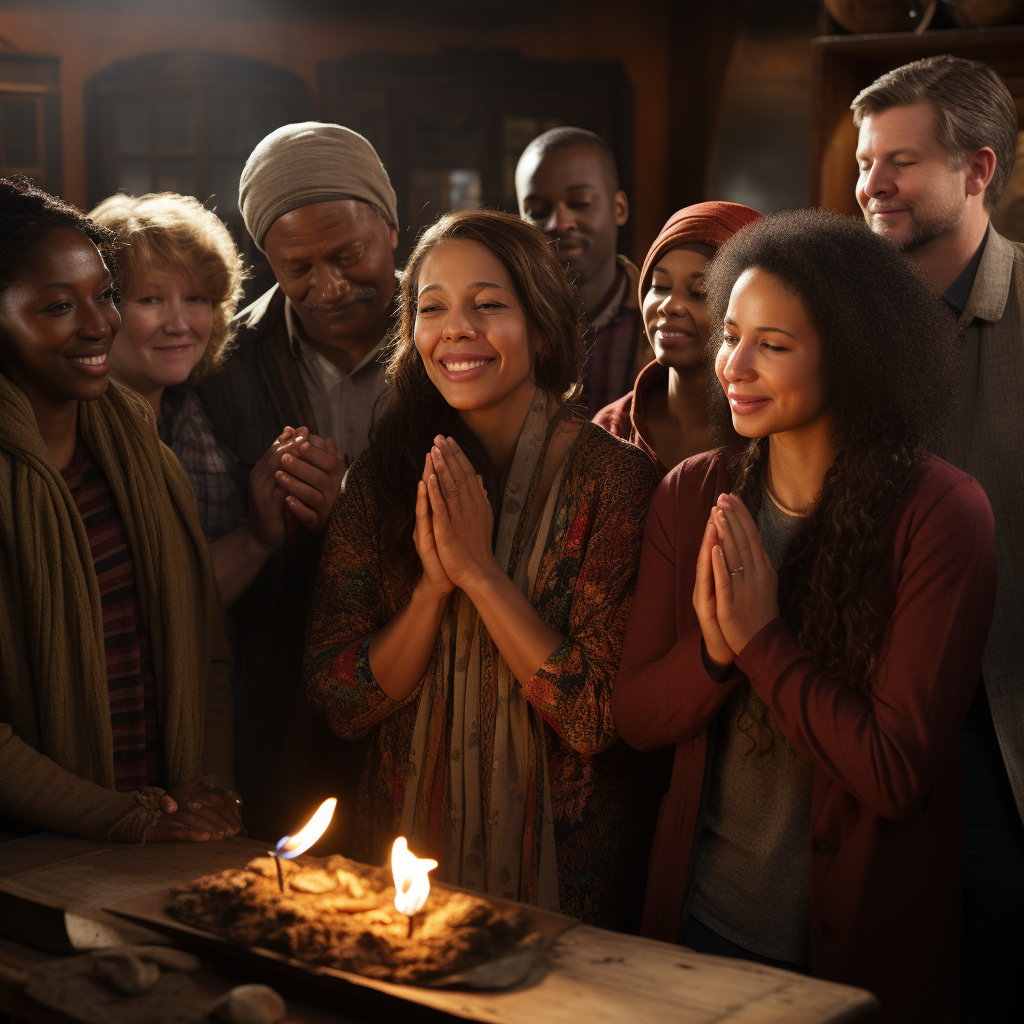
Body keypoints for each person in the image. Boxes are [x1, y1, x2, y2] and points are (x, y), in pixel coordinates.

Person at [612, 209, 996, 1023]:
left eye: (773, 346)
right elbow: (637, 716)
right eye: (731, 336)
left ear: (853, 358)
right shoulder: (691, 494)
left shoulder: (942, 514)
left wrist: (760, 643)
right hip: (696, 930)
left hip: (851, 963)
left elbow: (894, 773)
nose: (734, 367)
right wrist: (715, 656)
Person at [304, 210, 658, 928]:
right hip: (404, 858)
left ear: (543, 324)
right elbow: (339, 702)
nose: (457, 329)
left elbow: (594, 719)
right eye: (432, 308)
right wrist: (434, 588)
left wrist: (484, 577)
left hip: (566, 881)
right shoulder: (383, 480)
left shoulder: (615, 484)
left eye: (489, 304)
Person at [852, 55, 1023, 1023]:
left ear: (977, 169)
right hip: (848, 723)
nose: (872, 183)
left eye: (900, 161)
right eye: (866, 161)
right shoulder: (828, 318)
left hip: (997, 746)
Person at [0, 177, 241, 845]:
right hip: (36, 863)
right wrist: (124, 819)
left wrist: (206, 792)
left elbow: (205, 650)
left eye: (104, 295)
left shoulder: (136, 450)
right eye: (56, 306)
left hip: (159, 842)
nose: (99, 322)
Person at [194, 123, 399, 845]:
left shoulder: (455, 341)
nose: (330, 286)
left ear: (393, 227)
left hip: (421, 693)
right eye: (298, 268)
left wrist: (355, 504)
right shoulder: (223, 364)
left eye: (347, 255)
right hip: (274, 703)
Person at [90, 191, 332, 610]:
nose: (180, 324)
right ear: (101, 309)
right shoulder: (74, 433)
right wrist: (254, 538)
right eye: (150, 299)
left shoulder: (190, 412)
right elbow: (146, 613)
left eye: (196, 298)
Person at [594, 202, 761, 476]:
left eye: (699, 292)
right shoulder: (612, 430)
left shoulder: (771, 436)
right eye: (659, 286)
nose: (669, 305)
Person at [515, 127, 652, 415]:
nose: (560, 223)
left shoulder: (660, 317)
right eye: (537, 210)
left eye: (580, 204)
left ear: (619, 208)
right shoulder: (507, 319)